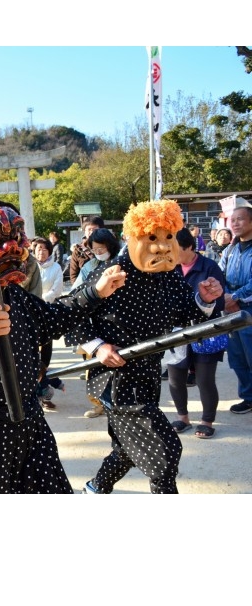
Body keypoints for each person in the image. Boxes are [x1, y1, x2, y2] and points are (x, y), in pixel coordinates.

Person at [0, 198, 127, 494]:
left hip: (31, 428)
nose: (13, 247)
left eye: (17, 236)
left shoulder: (14, 294)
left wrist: (95, 292)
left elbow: (53, 318)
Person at [71, 199, 223, 494]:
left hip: (149, 373)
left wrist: (204, 300)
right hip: (115, 379)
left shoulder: (169, 275)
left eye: (169, 237)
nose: (162, 246)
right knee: (163, 451)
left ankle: (96, 487)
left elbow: (186, 315)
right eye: (152, 238)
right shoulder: (110, 273)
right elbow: (73, 316)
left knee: (130, 446)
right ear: (132, 238)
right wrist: (99, 346)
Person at [167, 228, 226, 439]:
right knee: (175, 378)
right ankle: (182, 417)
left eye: (176, 249)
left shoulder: (209, 267)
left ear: (190, 247)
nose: (171, 254)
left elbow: (219, 301)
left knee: (204, 379)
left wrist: (207, 298)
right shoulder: (168, 268)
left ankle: (207, 420)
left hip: (205, 331)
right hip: (176, 332)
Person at [67, 228, 121, 418]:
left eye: (102, 249)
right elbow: (76, 293)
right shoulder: (90, 266)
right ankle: (100, 404)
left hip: (119, 326)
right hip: (94, 325)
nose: (99, 253)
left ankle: (115, 407)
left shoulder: (123, 262)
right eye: (95, 249)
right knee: (95, 368)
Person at [219, 198, 252, 415]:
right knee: (237, 357)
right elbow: (218, 274)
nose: (235, 223)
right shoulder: (229, 250)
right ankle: (248, 397)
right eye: (233, 220)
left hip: (248, 308)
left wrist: (236, 297)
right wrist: (224, 297)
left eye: (240, 219)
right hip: (230, 309)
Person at [33, 236, 64, 410]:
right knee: (30, 355)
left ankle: (44, 394)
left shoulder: (56, 267)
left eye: (45, 249)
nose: (41, 252)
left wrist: (42, 300)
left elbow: (57, 289)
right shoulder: (29, 266)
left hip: (47, 314)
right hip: (30, 314)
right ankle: (35, 395)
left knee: (45, 356)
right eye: (38, 249)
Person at [69, 215, 104, 284]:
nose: (91, 232)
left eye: (94, 230)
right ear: (84, 231)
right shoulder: (78, 250)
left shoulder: (107, 248)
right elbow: (73, 275)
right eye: (89, 229)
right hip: (85, 289)